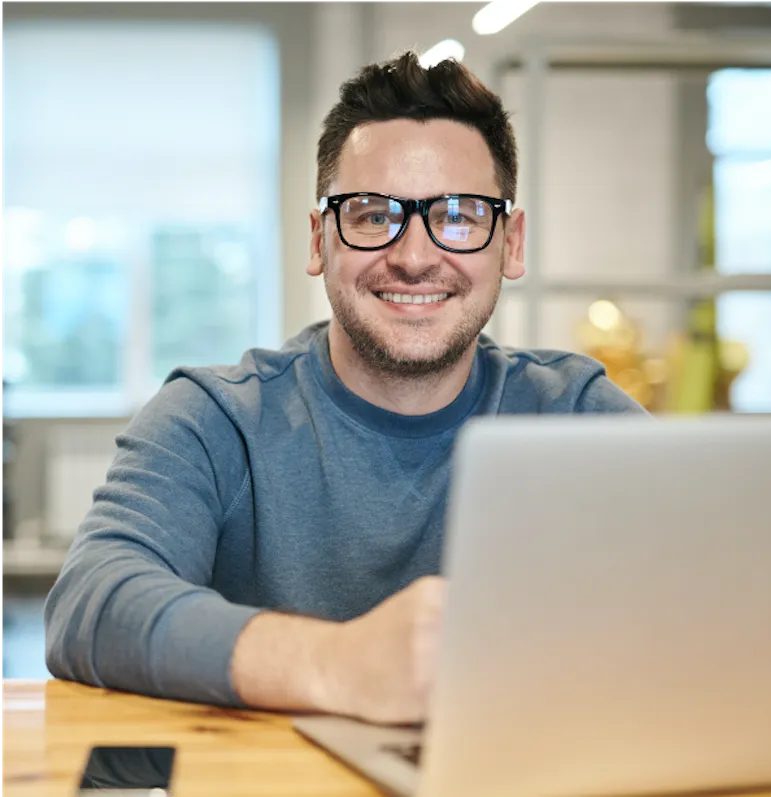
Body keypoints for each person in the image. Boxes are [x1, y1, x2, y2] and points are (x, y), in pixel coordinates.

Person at [45, 52, 645, 725]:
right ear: (318, 239)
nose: (415, 257)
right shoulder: (215, 419)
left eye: (458, 215)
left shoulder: (577, 416)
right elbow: (92, 605)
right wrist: (338, 663)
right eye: (369, 214)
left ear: (510, 242)